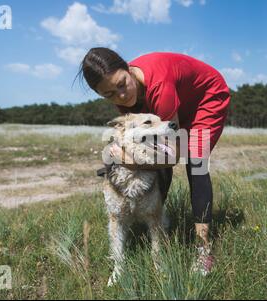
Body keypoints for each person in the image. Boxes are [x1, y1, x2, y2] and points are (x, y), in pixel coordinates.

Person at [77, 48, 231, 275]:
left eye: (122, 84)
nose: (120, 96)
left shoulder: (160, 86)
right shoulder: (123, 95)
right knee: (152, 151)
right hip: (178, 102)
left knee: (195, 162)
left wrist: (131, 162)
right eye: (109, 94)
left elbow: (173, 155)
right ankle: (156, 221)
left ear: (129, 69)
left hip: (205, 98)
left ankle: (203, 250)